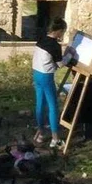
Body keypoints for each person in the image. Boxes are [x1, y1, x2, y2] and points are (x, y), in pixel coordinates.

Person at [32, 17, 67, 149]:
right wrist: (69, 55)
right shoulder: (55, 45)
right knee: (53, 106)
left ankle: (40, 133)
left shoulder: (41, 38)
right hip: (46, 76)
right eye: (63, 31)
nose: (62, 34)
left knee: (40, 104)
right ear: (58, 31)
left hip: (36, 73)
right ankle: (55, 138)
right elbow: (60, 64)